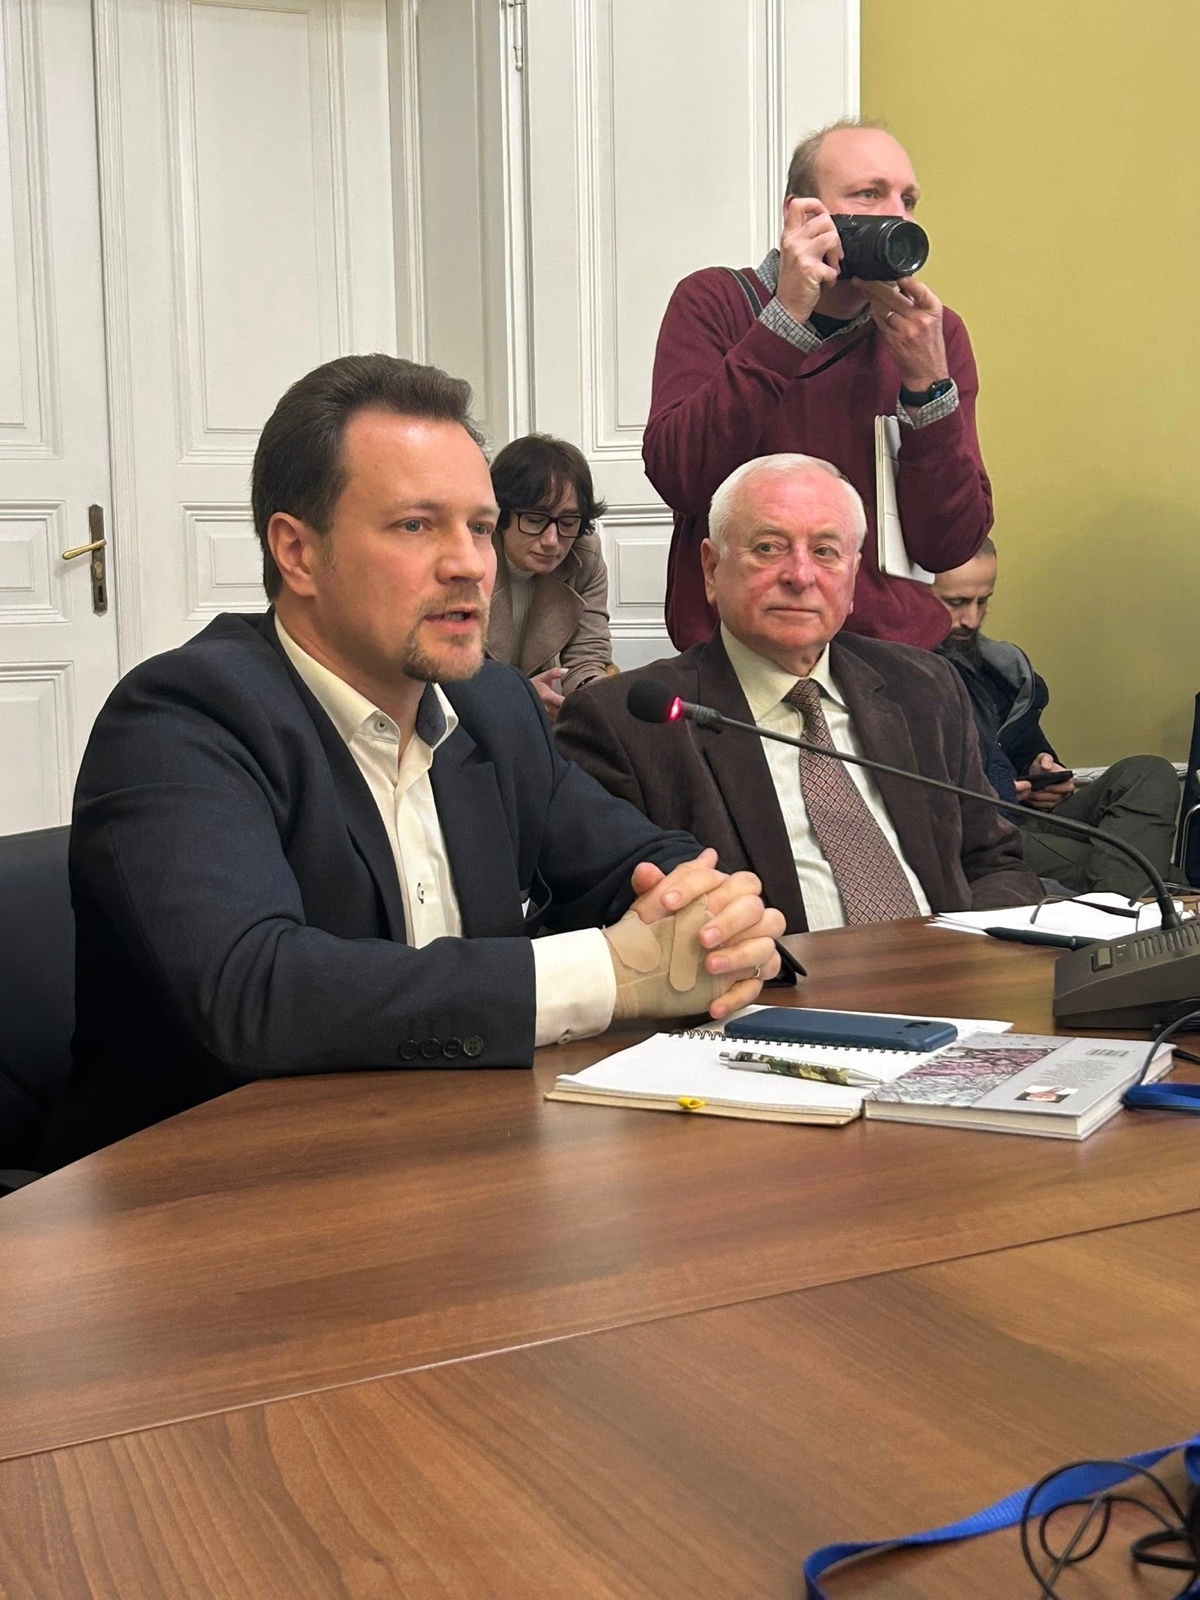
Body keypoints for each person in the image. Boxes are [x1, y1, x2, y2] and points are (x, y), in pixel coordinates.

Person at [41, 356, 784, 1167]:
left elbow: (635, 859)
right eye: (416, 526)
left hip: (465, 1162)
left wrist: (713, 917)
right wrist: (606, 974)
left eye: (479, 526)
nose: (469, 564)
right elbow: (253, 992)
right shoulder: (182, 717)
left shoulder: (493, 707)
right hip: (212, 1193)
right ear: (297, 552)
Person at [556, 454, 1040, 932]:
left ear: (853, 576)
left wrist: (976, 957)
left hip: (952, 971)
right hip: (771, 980)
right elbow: (598, 923)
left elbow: (994, 862)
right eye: (769, 548)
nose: (801, 575)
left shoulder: (925, 686)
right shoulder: (625, 723)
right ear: (711, 568)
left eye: (825, 552)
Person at [644, 117, 992, 652]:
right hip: (739, 656)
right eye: (869, 194)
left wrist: (927, 385)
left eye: (908, 200)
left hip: (892, 659)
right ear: (802, 213)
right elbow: (681, 476)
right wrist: (785, 319)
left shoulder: (933, 334)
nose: (897, 215)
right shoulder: (716, 302)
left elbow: (950, 545)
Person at [932, 541, 1181, 898]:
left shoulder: (999, 670)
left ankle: (1127, 899)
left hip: (1030, 818)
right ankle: (1128, 909)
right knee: (1144, 870)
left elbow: (1024, 749)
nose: (971, 619)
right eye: (955, 602)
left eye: (983, 601)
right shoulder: (904, 674)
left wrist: (1043, 771)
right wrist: (996, 790)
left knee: (1149, 772)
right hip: (979, 835)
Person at [486, 433, 613, 719]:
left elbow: (587, 653)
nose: (552, 540)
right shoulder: (470, 553)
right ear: (501, 515)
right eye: (535, 520)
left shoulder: (585, 553)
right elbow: (446, 670)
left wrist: (595, 692)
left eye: (568, 521)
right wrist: (519, 695)